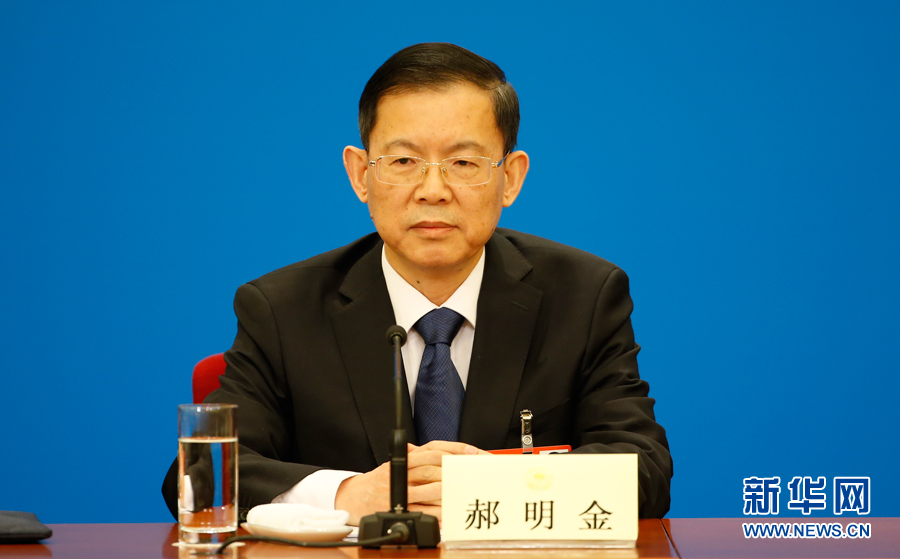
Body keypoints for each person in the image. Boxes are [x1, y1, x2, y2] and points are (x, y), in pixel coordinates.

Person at [162, 42, 672, 523]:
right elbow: (198, 476)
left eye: (463, 162)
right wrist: (348, 495)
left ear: (511, 178)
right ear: (360, 174)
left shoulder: (583, 297)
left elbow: (644, 468)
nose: (433, 190)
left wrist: (498, 487)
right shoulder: (282, 309)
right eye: (404, 161)